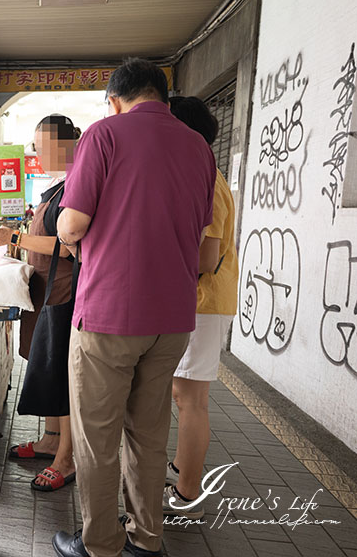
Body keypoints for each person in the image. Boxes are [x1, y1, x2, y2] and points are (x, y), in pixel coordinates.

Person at [52, 58, 215, 557]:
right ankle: (147, 541)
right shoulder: (199, 148)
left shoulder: (105, 135)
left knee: (97, 437)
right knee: (148, 435)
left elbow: (73, 223)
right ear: (162, 97)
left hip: (110, 314)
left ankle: (100, 543)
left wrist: (66, 233)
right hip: (173, 319)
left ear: (115, 99)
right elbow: (202, 240)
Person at [0, 115, 82, 492]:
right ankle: (51, 439)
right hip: (48, 290)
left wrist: (15, 238)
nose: (37, 155)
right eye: (35, 148)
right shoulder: (57, 186)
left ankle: (67, 458)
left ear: (67, 144)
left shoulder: (77, 185)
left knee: (65, 377)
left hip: (66, 292)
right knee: (48, 368)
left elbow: (70, 246)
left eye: (42, 147)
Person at [163, 97, 238, 518]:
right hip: (203, 301)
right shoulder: (205, 173)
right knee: (185, 393)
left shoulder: (206, 179)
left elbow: (205, 258)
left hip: (204, 301)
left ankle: (188, 491)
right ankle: (181, 468)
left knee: (191, 399)